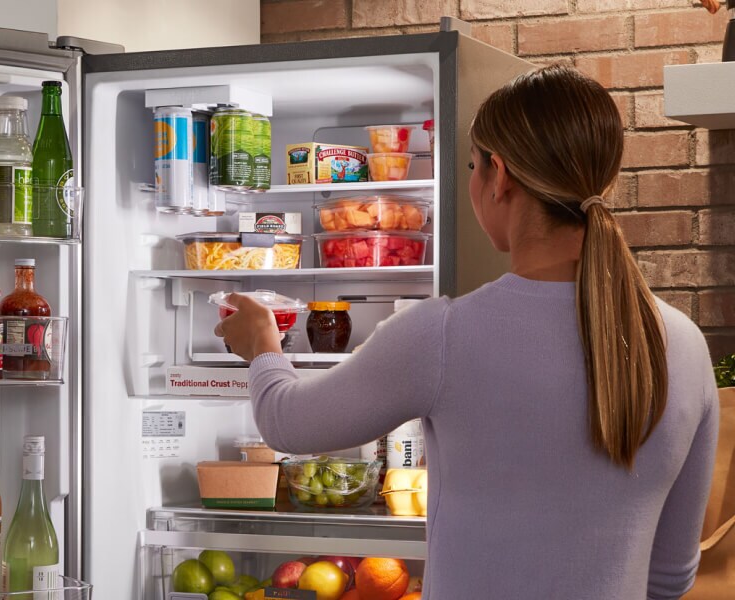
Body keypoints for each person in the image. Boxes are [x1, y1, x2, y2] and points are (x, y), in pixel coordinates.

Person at [215, 65, 719, 599]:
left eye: (474, 166)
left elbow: (288, 422)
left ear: (499, 176)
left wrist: (262, 343)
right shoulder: (683, 345)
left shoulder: (440, 336)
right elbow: (670, 577)